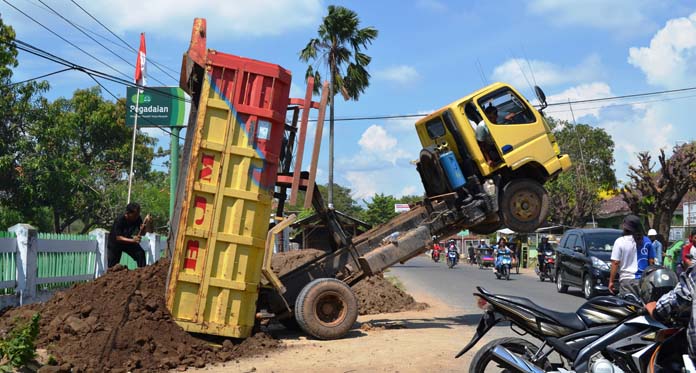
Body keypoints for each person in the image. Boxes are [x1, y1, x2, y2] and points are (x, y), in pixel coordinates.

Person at [608, 215, 655, 297]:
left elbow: (615, 263)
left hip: (627, 281)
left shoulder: (620, 241)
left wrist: (611, 281)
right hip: (644, 280)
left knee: (628, 306)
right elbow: (651, 262)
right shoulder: (647, 241)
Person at [107, 202, 150, 268]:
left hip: (128, 241)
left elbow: (142, 233)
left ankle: (143, 272)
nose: (137, 216)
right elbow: (118, 237)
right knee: (112, 266)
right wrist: (133, 240)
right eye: (135, 214)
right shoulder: (120, 219)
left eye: (138, 213)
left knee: (140, 253)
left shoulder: (138, 218)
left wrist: (143, 229)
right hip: (115, 244)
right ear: (128, 213)